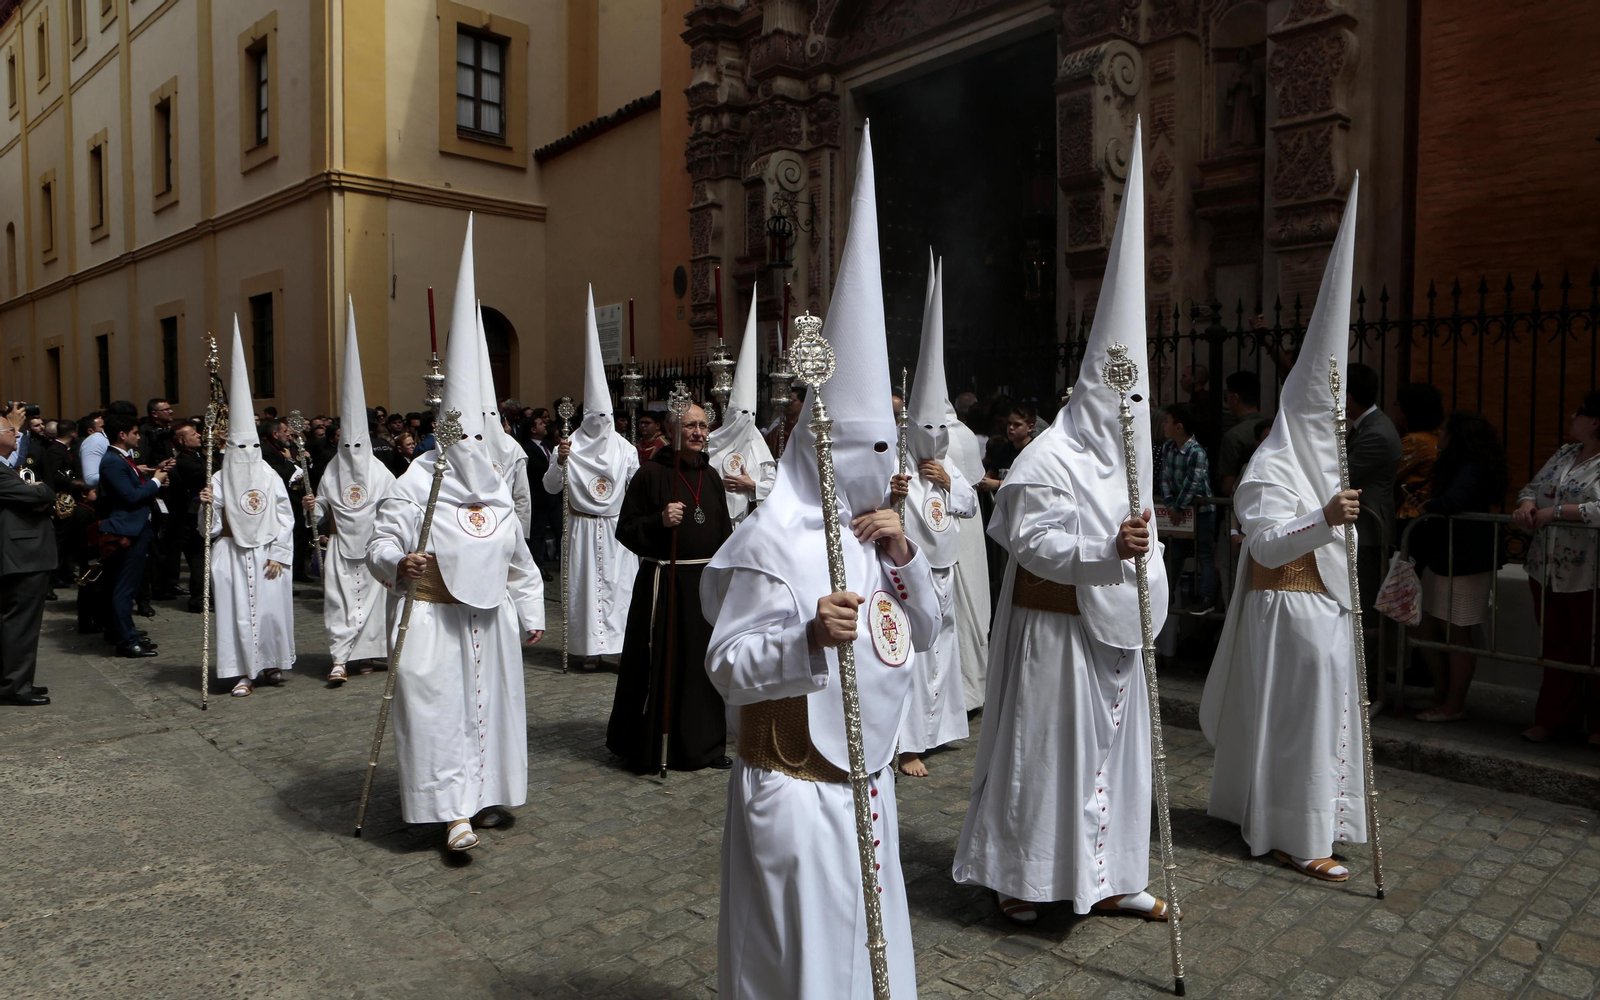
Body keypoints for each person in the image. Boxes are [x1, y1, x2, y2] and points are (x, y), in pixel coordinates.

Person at [703, 125, 939, 998]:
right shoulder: (769, 539)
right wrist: (806, 634)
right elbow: (726, 665)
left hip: (867, 788)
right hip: (791, 788)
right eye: (866, 451)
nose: (883, 470)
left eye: (891, 450)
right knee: (798, 963)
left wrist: (904, 557)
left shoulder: (877, 534)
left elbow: (921, 635)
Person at [955, 127, 1174, 925]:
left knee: (1116, 760)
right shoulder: (1046, 456)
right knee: (1046, 759)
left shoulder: (1130, 460)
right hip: (1052, 633)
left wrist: (1146, 572)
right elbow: (1023, 535)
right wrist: (1106, 548)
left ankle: (1112, 875)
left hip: (1114, 635)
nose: (1129, 418)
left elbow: (1143, 542)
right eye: (1120, 405)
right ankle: (1025, 877)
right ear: (1088, 399)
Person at [1201, 182, 1367, 884]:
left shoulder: (1323, 473)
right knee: (1293, 726)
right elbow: (1266, 545)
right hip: (1282, 610)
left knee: (1320, 724)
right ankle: (1289, 833)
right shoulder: (1268, 472)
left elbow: (1343, 552)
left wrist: (1341, 533)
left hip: (1321, 611)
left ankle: (1311, 818)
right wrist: (1324, 520)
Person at [367, 215, 545, 852]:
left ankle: (486, 794)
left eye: (481, 436)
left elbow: (519, 558)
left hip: (489, 621)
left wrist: (529, 608)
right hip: (435, 619)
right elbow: (379, 544)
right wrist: (399, 564)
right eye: (460, 434)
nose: (473, 448)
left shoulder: (496, 490)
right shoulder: (416, 483)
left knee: (491, 711)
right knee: (440, 713)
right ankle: (450, 812)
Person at [606, 401, 733, 772]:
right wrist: (658, 521)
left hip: (703, 585)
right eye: (690, 425)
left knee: (701, 665)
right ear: (672, 430)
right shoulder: (650, 474)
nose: (698, 432)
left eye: (704, 426)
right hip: (665, 582)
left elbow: (724, 530)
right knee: (663, 662)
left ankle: (704, 746)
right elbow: (626, 529)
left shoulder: (710, 476)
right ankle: (651, 745)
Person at [895, 253, 977, 777]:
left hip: (945, 570)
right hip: (909, 572)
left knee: (943, 650)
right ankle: (907, 743)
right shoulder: (896, 461)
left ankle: (940, 727)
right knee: (911, 649)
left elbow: (969, 505)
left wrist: (949, 483)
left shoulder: (945, 463)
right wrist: (895, 492)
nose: (932, 441)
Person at [542, 288, 639, 669]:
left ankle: (614, 650)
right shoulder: (569, 445)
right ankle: (585, 650)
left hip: (616, 530)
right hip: (581, 528)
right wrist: (559, 462)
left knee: (617, 591)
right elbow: (551, 487)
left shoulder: (625, 448)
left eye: (605, 417)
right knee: (583, 590)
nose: (600, 425)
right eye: (594, 417)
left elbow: (636, 485)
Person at [202, 319, 297, 697]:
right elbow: (208, 528)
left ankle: (271, 663)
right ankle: (243, 671)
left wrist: (280, 553)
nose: (245, 456)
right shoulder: (220, 478)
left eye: (250, 448)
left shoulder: (270, 474)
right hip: (231, 554)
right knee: (237, 615)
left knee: (271, 612)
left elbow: (284, 514)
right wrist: (206, 506)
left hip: (267, 554)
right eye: (238, 449)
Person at [305, 299, 397, 683]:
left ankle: (370, 655)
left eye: (359, 447)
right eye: (347, 447)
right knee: (341, 604)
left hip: (374, 549)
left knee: (376, 608)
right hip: (342, 550)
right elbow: (322, 509)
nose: (353, 455)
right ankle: (341, 658)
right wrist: (313, 507)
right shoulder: (331, 469)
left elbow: (396, 506)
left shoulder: (380, 470)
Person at [1513, 389, 1600, 746]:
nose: (1571, 419)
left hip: (1588, 572)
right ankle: (1553, 718)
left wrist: (1558, 513)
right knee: (1555, 644)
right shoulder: (1565, 453)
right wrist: (1528, 504)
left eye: (1578, 414)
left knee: (1592, 645)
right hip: (1545, 566)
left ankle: (1596, 723)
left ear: (1594, 422)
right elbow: (1533, 485)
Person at [1408, 411, 1507, 723]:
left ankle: (1453, 703)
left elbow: (1454, 501)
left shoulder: (1470, 465)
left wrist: (1428, 506)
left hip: (1464, 558)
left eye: (1443, 431)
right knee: (1428, 625)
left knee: (1457, 633)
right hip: (1447, 556)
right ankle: (1443, 694)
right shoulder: (1466, 465)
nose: (1439, 435)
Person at [97, 411, 170, 658]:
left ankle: (125, 632)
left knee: (127, 586)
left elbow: (134, 487)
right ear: (122, 434)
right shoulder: (113, 461)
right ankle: (126, 640)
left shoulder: (122, 459)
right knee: (124, 588)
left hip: (137, 528)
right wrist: (156, 482)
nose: (139, 438)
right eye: (135, 433)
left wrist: (153, 478)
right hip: (127, 530)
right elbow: (129, 496)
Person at [1346, 360, 1402, 672]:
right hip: (1360, 528)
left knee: (1364, 605)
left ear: (1349, 398)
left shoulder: (1377, 432)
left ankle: (1367, 677)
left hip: (1369, 531)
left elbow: (1344, 475)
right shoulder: (1367, 426)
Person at [705, 287, 777, 526]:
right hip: (716, 520)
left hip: (751, 520)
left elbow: (774, 485)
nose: (747, 418)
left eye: (751, 414)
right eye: (741, 413)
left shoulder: (759, 446)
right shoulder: (711, 442)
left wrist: (752, 485)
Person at [0, 410, 58, 705]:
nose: (17, 434)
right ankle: (15, 685)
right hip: (23, 556)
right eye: (12, 432)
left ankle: (18, 680)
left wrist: (35, 491)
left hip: (23, 554)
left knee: (18, 623)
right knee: (21, 623)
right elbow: (40, 495)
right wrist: (39, 491)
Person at [1157, 402, 1216, 613]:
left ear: (1179, 426)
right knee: (1175, 553)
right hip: (1179, 512)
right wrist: (1171, 505)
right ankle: (1165, 594)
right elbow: (1163, 477)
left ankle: (1207, 597)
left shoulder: (1196, 452)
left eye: (1167, 421)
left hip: (1201, 512)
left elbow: (1193, 482)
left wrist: (1178, 507)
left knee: (1204, 554)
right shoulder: (1167, 448)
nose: (1163, 425)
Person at [1391, 382, 1444, 526]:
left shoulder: (1415, 442)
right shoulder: (1435, 437)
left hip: (1411, 515)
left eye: (1397, 404)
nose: (1394, 408)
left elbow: (1387, 473)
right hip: (1425, 513)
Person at [521, 409, 560, 580]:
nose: (545, 425)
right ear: (533, 429)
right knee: (538, 535)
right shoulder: (527, 448)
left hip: (554, 498)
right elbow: (539, 470)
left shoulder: (548, 446)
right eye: (540, 424)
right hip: (538, 498)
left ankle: (563, 562)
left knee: (561, 530)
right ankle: (539, 567)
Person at [1216, 371, 1262, 496]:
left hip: (1242, 502)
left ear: (1235, 398)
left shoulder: (1234, 436)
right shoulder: (1275, 427)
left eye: (1227, 398)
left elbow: (1227, 486)